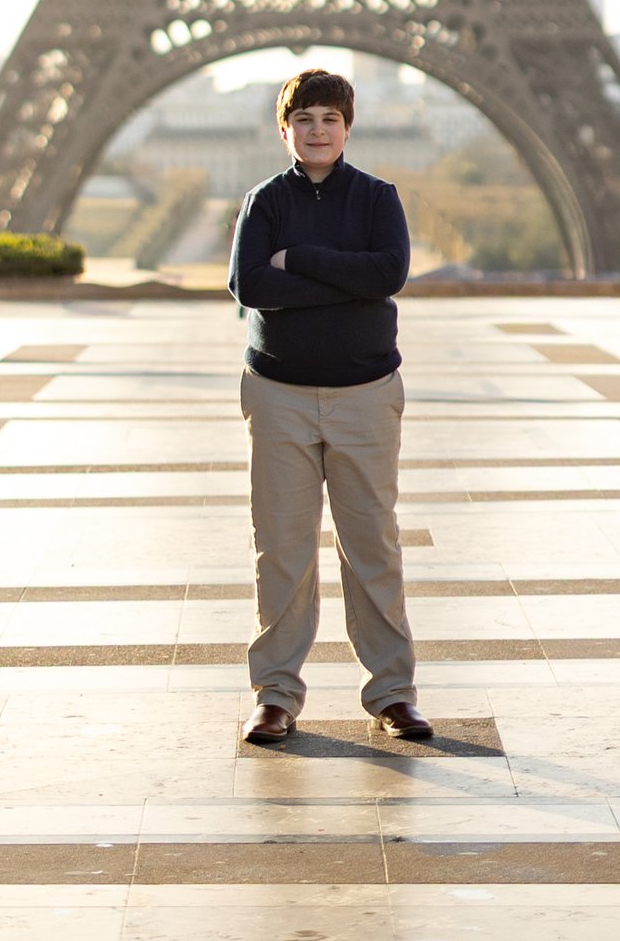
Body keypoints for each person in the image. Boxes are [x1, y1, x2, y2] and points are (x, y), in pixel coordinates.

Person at [226, 65, 432, 746]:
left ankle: (393, 693)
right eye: (304, 120)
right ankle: (275, 694)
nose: (317, 131)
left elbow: (389, 273)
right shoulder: (263, 201)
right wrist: (348, 281)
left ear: (347, 128)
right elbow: (250, 286)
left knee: (373, 546)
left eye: (330, 120)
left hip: (365, 394)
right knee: (281, 549)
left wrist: (300, 260)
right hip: (279, 395)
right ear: (284, 129)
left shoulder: (377, 197)